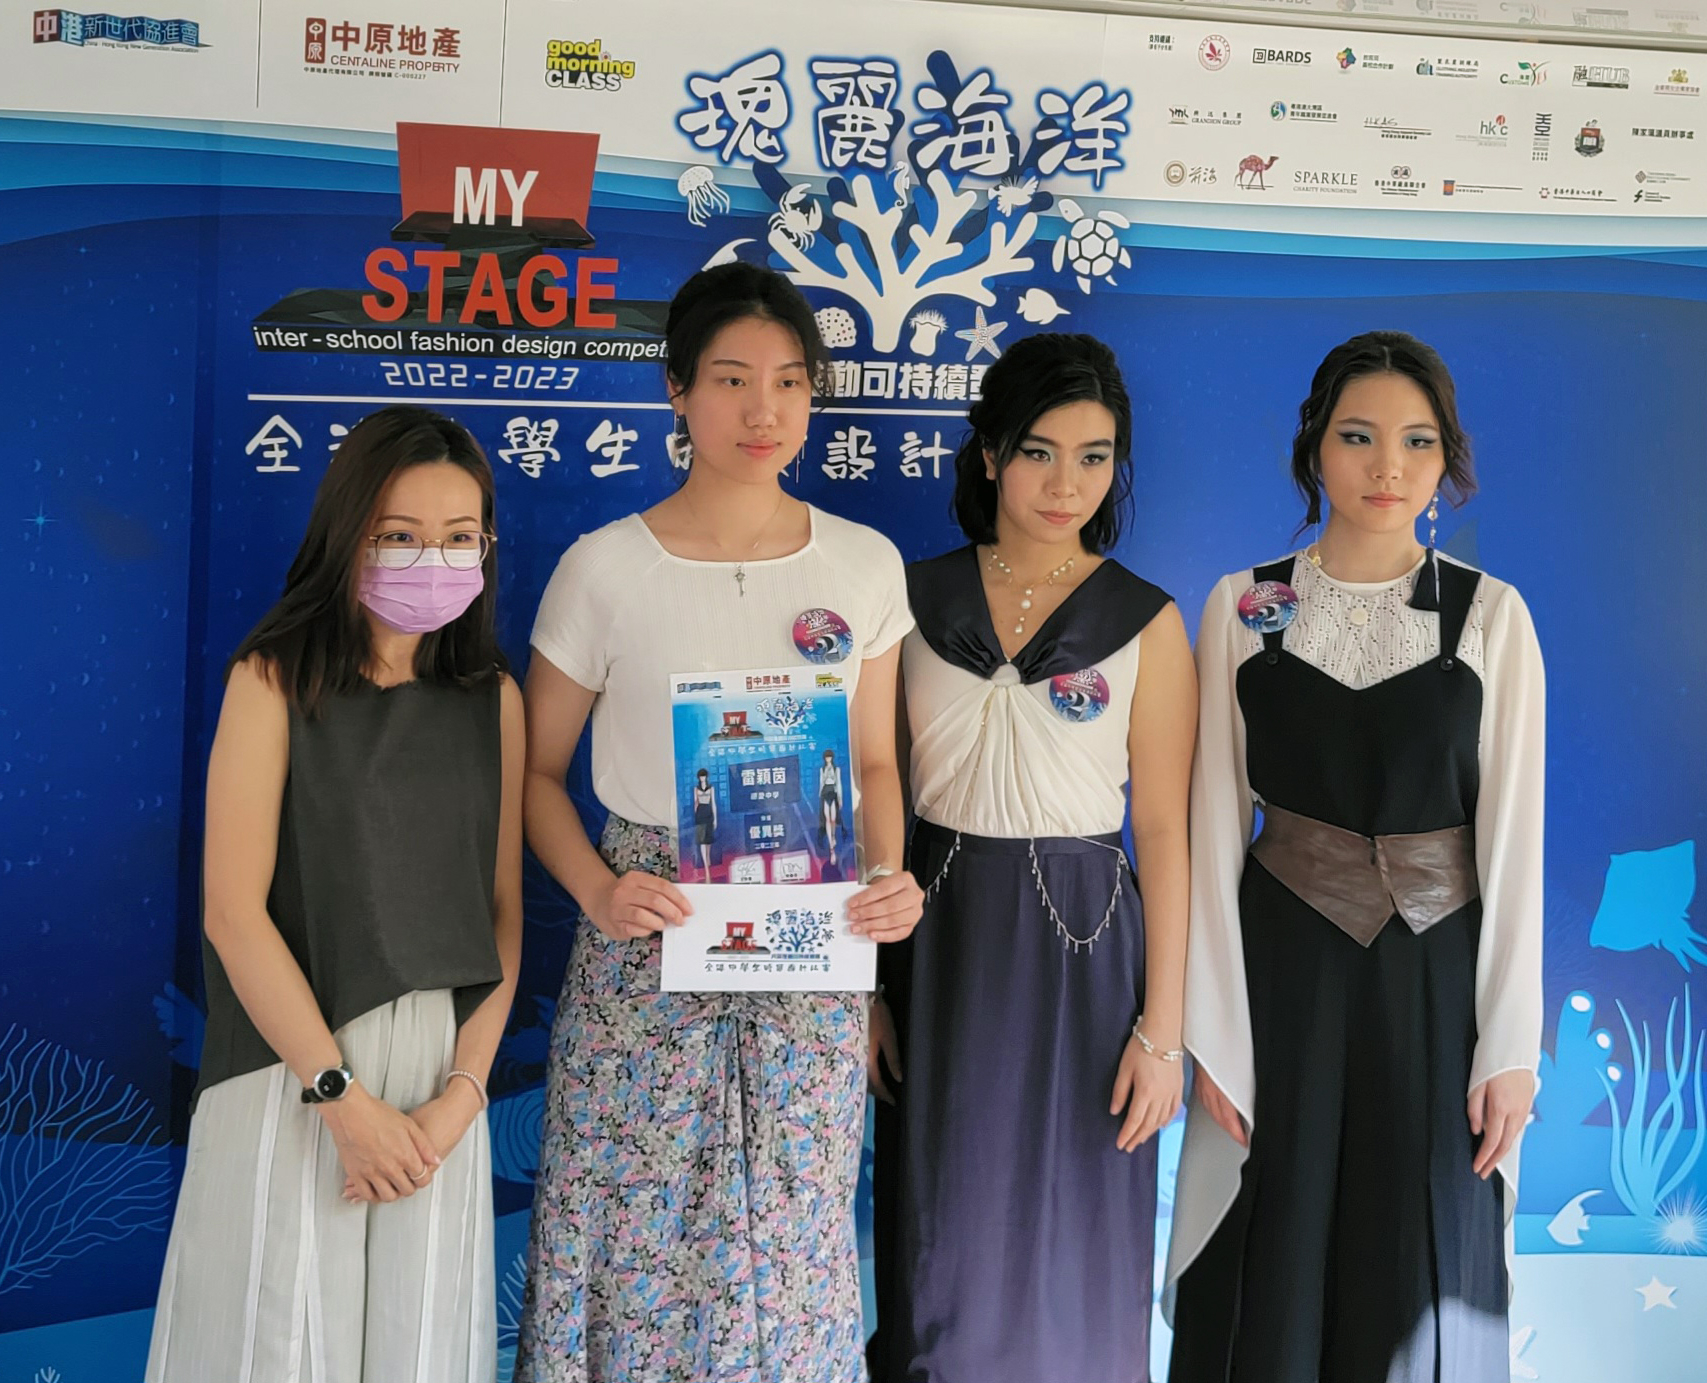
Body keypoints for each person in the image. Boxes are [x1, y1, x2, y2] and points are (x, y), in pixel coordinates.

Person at [515, 262, 925, 1383]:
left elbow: (879, 759)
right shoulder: (604, 570)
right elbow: (537, 776)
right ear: (676, 392)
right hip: (651, 927)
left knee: (791, 1229)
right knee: (629, 1225)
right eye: (733, 380)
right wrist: (598, 890)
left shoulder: (863, 563)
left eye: (791, 382)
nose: (764, 411)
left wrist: (885, 876)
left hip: (810, 937)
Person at [1167, 331, 1545, 1383]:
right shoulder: (1248, 604)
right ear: (1315, 450)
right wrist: (1214, 1034)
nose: (1388, 467)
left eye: (1418, 442)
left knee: (1424, 1253)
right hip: (1282, 971)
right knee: (1274, 1246)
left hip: (1437, 982)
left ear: (1445, 462)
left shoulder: (1490, 617)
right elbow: (1206, 825)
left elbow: (1515, 838)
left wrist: (1511, 1045)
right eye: (1360, 437)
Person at [146, 405, 523, 1383]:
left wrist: (462, 1099)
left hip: (439, 1085)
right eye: (399, 536)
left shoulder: (494, 697)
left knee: (417, 1349)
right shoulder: (273, 679)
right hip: (290, 1068)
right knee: (270, 1340)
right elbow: (232, 913)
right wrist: (341, 1101)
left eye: (457, 538)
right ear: (347, 535)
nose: (429, 559)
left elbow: (500, 915)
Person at [870, 333, 1197, 1383]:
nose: (1068, 484)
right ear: (987, 454)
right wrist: (866, 989)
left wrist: (1165, 1032)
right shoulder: (906, 603)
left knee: (1079, 1230)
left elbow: (1166, 834)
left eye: (1096, 456)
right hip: (941, 939)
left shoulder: (1147, 621)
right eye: (1041, 451)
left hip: (1090, 948)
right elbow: (871, 790)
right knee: (944, 1226)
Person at [692, 766, 718, 879]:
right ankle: (706, 869)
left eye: (704, 776)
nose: (702, 778)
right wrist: (695, 815)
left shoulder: (711, 788)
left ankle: (708, 858)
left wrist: (715, 818)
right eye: (701, 777)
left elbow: (713, 803)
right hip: (700, 813)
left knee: (708, 839)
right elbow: (695, 803)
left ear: (706, 777)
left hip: (709, 812)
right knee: (702, 840)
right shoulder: (696, 788)